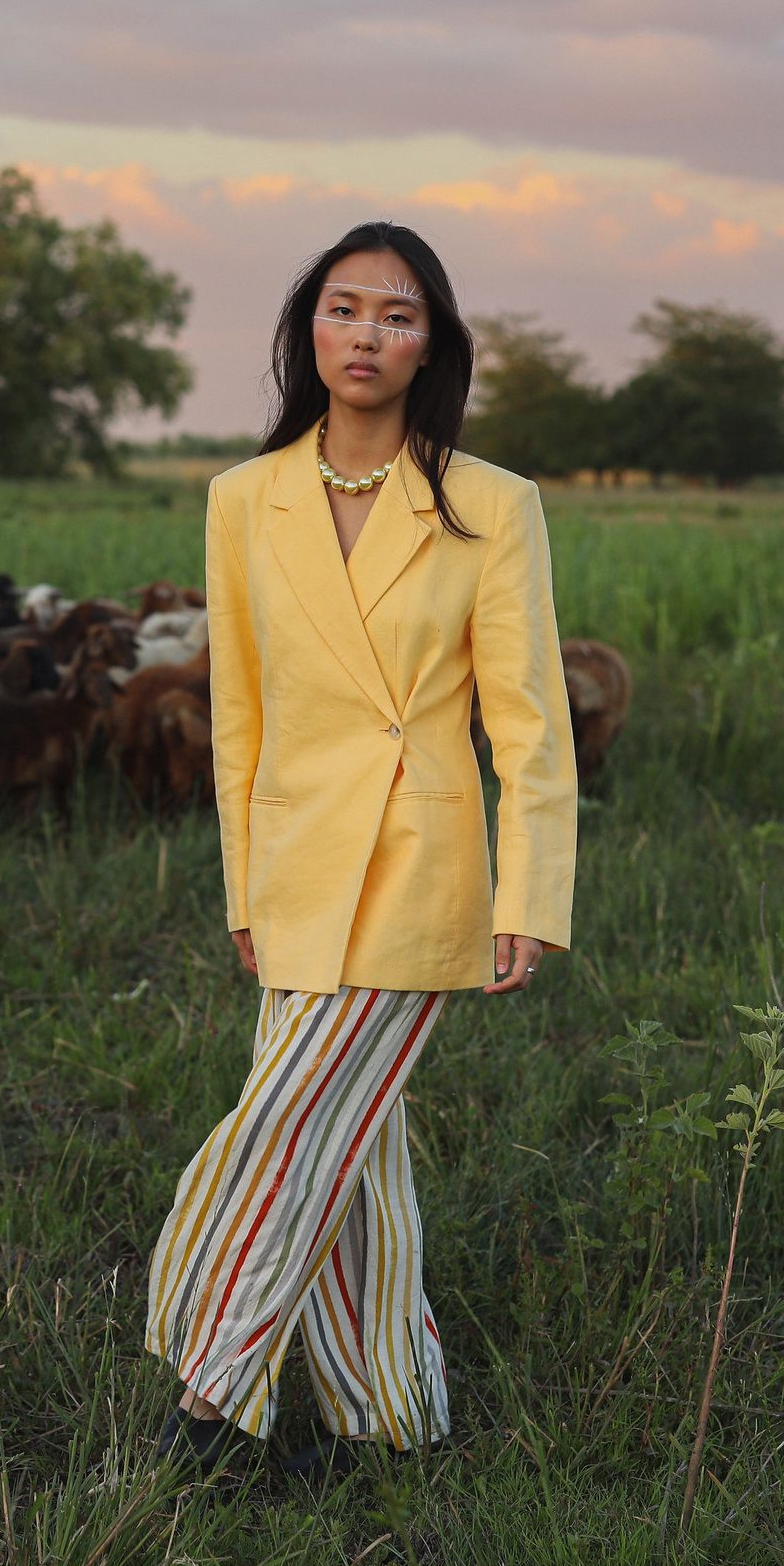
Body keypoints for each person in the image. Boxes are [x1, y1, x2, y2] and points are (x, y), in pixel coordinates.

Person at [144, 222, 578, 1479]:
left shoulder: (491, 504)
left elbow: (528, 716)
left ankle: (211, 1387)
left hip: (420, 861)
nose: (366, 336)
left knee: (287, 1124)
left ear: (430, 343)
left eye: (396, 315)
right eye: (344, 310)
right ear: (307, 331)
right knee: (353, 1152)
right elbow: (243, 714)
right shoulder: (243, 497)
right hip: (290, 863)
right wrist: (240, 880)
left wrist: (528, 893)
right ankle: (390, 1411)